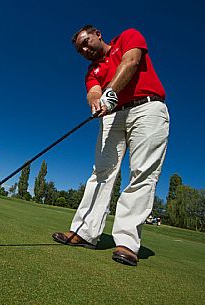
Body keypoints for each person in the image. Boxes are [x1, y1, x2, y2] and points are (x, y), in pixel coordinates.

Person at [52, 26, 169, 266]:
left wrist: (111, 92)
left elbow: (132, 60)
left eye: (86, 42)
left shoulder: (128, 36)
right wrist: (97, 102)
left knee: (142, 173)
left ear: (97, 33)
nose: (85, 50)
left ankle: (127, 242)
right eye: (80, 50)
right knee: (101, 172)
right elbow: (93, 92)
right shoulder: (91, 71)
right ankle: (84, 232)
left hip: (147, 108)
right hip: (112, 116)